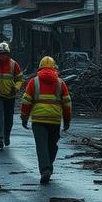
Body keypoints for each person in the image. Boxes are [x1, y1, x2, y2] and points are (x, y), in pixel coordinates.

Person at [20, 56, 71, 184]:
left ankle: (45, 169)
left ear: (40, 67)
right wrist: (67, 121)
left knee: (41, 145)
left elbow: (26, 101)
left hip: (38, 119)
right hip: (54, 120)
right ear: (55, 68)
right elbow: (67, 104)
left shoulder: (34, 82)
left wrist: (24, 118)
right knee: (52, 145)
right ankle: (48, 166)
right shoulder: (60, 83)